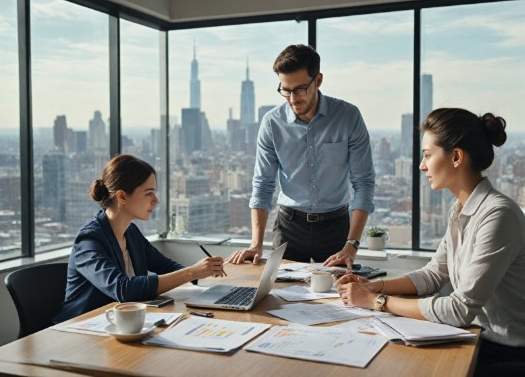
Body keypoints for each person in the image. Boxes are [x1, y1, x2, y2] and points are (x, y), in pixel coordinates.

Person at [336, 108, 525, 374]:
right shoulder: (461, 209)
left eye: (427, 155)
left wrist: (376, 301)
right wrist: (374, 286)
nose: (422, 166)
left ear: (456, 157)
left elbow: (459, 309)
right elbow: (434, 275)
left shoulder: (498, 215)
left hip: (508, 352)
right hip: (474, 334)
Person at [226, 44, 375, 270]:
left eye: (300, 89)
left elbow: (363, 183)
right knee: (279, 298)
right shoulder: (272, 123)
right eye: (286, 90)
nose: (293, 98)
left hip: (336, 227)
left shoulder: (348, 117)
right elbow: (263, 184)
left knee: (341, 297)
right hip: (289, 227)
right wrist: (256, 244)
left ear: (319, 80)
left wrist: (351, 245)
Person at [54, 155, 224, 323]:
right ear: (122, 197)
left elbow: (166, 266)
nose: (155, 201)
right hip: (81, 330)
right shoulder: (89, 240)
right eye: (148, 193)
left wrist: (202, 274)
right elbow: (123, 289)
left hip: (122, 326)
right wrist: (191, 272)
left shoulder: (131, 232)